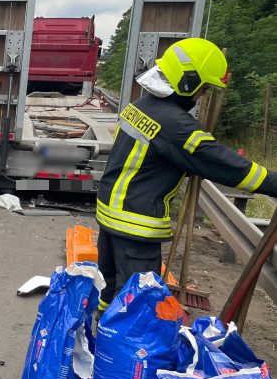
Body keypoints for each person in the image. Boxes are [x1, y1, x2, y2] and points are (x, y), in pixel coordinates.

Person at [93, 38, 277, 331]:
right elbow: (228, 166)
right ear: (188, 82)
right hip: (136, 225)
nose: (203, 95)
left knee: (110, 290)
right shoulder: (177, 126)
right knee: (138, 306)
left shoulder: (140, 106)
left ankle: (99, 338)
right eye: (204, 88)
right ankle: (122, 354)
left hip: (111, 216)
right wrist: (272, 182)